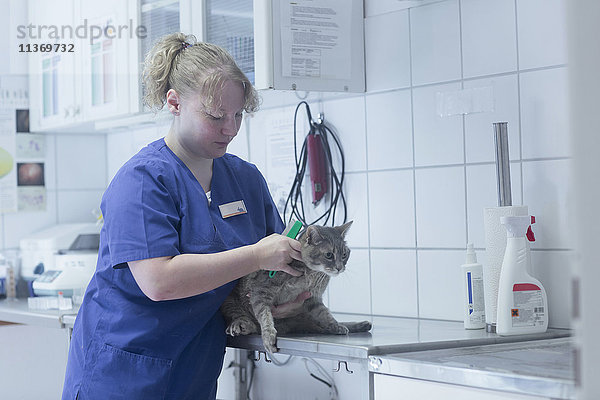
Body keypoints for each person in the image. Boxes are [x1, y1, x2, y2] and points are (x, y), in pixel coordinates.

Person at [62, 33, 305, 400]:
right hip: (121, 373)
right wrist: (257, 254)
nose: (230, 128)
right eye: (215, 115)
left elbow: (269, 267)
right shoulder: (143, 180)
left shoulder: (245, 180)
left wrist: (286, 299)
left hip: (192, 369)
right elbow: (160, 281)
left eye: (238, 114)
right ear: (174, 103)